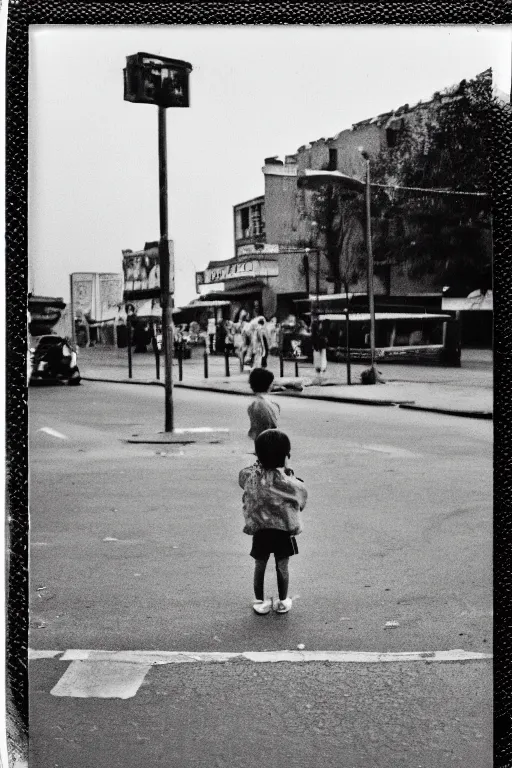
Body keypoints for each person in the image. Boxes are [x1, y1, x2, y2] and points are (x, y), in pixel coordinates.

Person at [239, 429, 308, 615]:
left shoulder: (253, 478)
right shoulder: (288, 483)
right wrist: (290, 475)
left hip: (261, 530)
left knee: (259, 565)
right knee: (282, 565)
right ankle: (283, 601)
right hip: (282, 531)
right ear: (285, 456)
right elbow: (301, 496)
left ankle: (260, 602)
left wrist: (257, 465)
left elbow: (242, 479)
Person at [247, 368, 280, 444]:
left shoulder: (254, 404)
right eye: (272, 383)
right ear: (268, 385)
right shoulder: (268, 404)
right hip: (267, 442)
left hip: (261, 441)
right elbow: (270, 425)